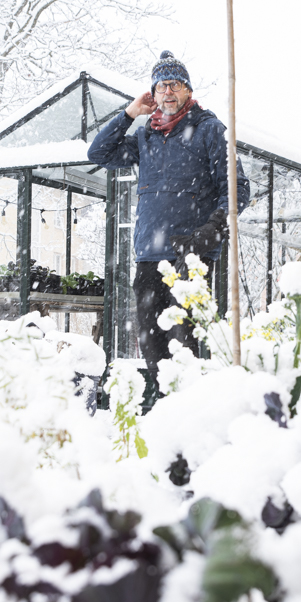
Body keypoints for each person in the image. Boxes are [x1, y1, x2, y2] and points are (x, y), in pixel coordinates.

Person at [87, 51, 250, 396]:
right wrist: (130, 113)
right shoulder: (146, 136)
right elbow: (98, 154)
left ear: (188, 90)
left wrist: (211, 230)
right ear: (153, 94)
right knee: (152, 346)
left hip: (190, 255)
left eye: (175, 84)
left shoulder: (209, 130)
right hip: (149, 255)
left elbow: (237, 188)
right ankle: (166, 409)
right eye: (161, 86)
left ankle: (191, 409)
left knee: (185, 345)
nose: (168, 92)